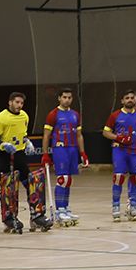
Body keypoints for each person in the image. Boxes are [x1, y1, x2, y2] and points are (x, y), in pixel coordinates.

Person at [0, 91, 47, 233]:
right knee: (8, 188)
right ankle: (9, 218)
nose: (19, 105)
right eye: (17, 102)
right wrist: (3, 145)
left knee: (32, 184)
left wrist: (27, 142)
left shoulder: (24, 116)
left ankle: (37, 215)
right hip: (6, 156)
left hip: (20, 155)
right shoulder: (1, 117)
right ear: (10, 102)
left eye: (21, 103)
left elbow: (23, 135)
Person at [102, 90, 136, 222]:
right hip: (120, 150)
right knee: (118, 177)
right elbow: (106, 133)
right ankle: (116, 206)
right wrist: (118, 138)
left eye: (132, 97)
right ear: (122, 101)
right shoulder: (115, 115)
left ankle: (133, 206)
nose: (129, 100)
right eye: (127, 98)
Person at [41, 88, 88, 226]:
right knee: (63, 179)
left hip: (72, 149)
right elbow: (46, 136)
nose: (67, 100)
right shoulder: (53, 114)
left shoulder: (75, 115)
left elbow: (79, 135)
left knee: (69, 180)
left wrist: (83, 153)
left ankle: (66, 208)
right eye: (64, 97)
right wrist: (45, 154)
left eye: (69, 97)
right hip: (60, 149)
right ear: (59, 98)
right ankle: (59, 210)